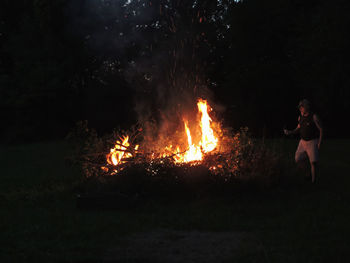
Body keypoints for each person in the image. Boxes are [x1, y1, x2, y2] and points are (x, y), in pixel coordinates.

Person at [284, 99, 323, 183]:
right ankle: (307, 174)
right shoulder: (300, 116)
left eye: (302, 107)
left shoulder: (314, 117)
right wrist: (291, 132)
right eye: (299, 107)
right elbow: (298, 127)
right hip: (302, 142)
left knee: (313, 163)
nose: (300, 109)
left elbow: (321, 129)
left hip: (312, 142)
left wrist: (319, 143)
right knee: (298, 159)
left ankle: (314, 182)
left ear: (307, 107)